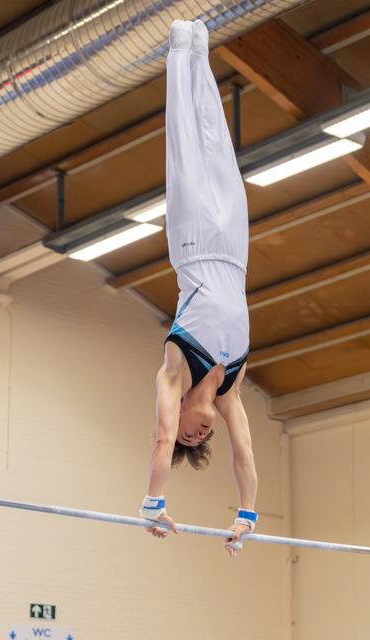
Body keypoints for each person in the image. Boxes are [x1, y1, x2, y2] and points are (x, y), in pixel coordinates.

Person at [140, 19, 258, 556]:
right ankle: (201, 51)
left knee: (185, 143)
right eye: (200, 439)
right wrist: (247, 514)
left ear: (182, 410)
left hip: (191, 244)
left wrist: (154, 503)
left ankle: (178, 51)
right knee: (217, 146)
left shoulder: (172, 371)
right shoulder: (231, 389)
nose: (197, 434)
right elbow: (246, 457)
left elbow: (161, 439)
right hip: (234, 250)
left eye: (191, 433)